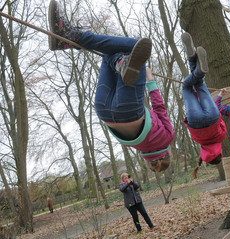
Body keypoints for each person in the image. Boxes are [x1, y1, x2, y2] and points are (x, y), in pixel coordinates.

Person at [48, 0, 174, 172]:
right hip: (104, 111)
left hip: (129, 110)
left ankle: (72, 36)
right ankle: (73, 42)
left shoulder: (167, 139)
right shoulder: (140, 149)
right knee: (109, 53)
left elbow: (159, 107)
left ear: (167, 153)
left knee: (134, 46)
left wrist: (150, 80)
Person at [180, 32, 227, 178]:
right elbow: (192, 133)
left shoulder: (221, 137)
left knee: (199, 82)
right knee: (186, 86)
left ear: (219, 153)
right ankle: (192, 58)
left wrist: (218, 97)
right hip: (195, 121)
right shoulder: (199, 141)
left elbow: (221, 122)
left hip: (213, 116)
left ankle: (192, 59)